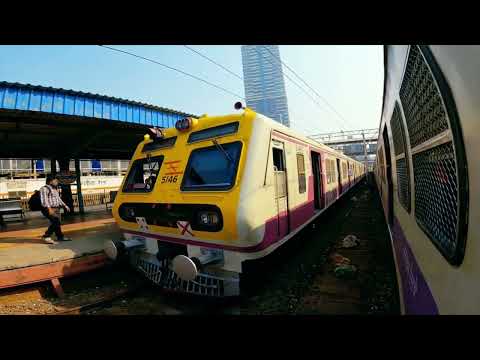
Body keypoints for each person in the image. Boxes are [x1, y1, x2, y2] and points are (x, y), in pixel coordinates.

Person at [39, 174, 71, 244]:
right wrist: (49, 209)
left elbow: (58, 199)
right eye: (55, 180)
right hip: (49, 208)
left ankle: (60, 237)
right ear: (50, 181)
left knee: (57, 223)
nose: (57, 182)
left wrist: (65, 205)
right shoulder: (44, 189)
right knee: (56, 221)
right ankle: (46, 236)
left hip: (56, 208)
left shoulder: (54, 189)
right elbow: (44, 200)